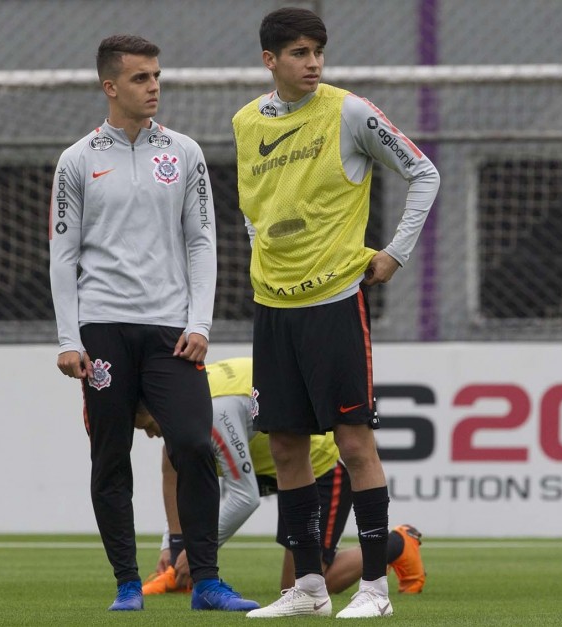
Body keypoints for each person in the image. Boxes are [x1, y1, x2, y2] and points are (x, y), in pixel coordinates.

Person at [231, 8, 440, 619]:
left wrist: (395, 254)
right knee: (290, 447)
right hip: (273, 306)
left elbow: (422, 172)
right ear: (270, 60)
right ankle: (310, 591)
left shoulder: (349, 110)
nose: (313, 62)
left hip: (334, 303)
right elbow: (253, 208)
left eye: (318, 51)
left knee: (354, 442)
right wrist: (262, 255)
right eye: (299, 52)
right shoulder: (246, 121)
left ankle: (375, 588)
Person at [48, 34, 257, 613]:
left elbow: (203, 242)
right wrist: (70, 339)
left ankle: (207, 581)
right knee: (109, 455)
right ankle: (125, 583)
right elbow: (63, 255)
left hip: (171, 330)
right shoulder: (78, 159)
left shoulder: (184, 153)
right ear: (110, 86)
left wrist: (201, 323)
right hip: (103, 329)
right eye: (141, 79)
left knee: (193, 444)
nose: (154, 87)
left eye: (157, 76)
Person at [132, 358, 426, 597]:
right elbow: (176, 474)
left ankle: (398, 543)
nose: (150, 433)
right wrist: (174, 545)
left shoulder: (212, 412)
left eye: (148, 425)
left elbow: (244, 498)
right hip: (279, 463)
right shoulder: (183, 398)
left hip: (321, 463)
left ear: (162, 408)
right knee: (172, 458)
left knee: (301, 585)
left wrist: (198, 552)